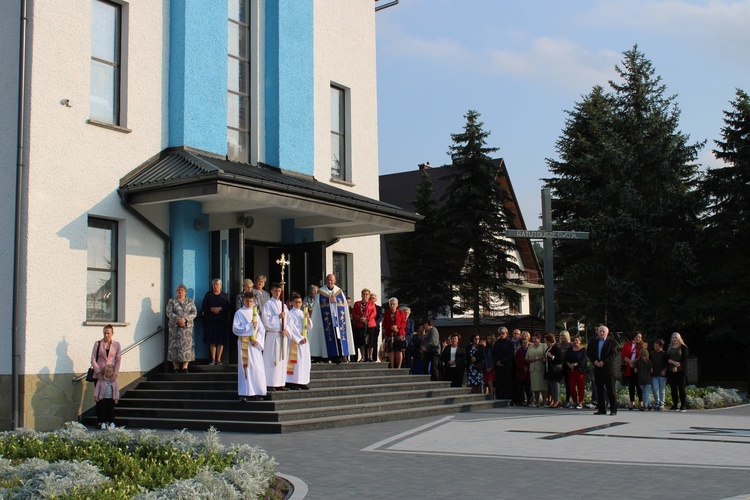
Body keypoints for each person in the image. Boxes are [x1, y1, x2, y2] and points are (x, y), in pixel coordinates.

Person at [308, 274, 355, 363]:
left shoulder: (339, 292)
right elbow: (317, 307)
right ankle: (326, 356)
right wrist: (329, 301)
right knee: (327, 336)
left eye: (331, 280)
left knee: (338, 337)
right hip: (325, 320)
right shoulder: (321, 292)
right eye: (328, 280)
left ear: (335, 281)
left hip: (337, 320)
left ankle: (339, 356)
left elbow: (344, 305)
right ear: (326, 281)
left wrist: (336, 301)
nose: (330, 282)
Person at [232, 292, 266, 401]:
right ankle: (244, 392)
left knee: (256, 368)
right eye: (247, 301)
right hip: (245, 344)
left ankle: (256, 391)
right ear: (243, 301)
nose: (249, 303)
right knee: (245, 368)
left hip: (254, 345)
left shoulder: (255, 313)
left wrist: (258, 340)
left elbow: (262, 330)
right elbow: (236, 329)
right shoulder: (239, 313)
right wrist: (250, 326)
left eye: (251, 301)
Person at [262, 282, 290, 391]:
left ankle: (280, 382)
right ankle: (270, 383)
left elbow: (289, 320)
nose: (278, 293)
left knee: (282, 360)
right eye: (275, 291)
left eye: (279, 291)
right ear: (271, 291)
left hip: (282, 335)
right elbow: (266, 320)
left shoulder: (284, 306)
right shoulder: (268, 304)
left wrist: (286, 329)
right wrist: (278, 317)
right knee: (272, 360)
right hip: (273, 335)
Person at [587, 324, 618, 415]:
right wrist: (595, 361)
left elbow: (613, 354)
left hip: (608, 369)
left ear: (607, 333)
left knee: (611, 390)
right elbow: (589, 352)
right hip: (597, 368)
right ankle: (601, 409)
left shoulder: (611, 342)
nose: (601, 333)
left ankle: (613, 409)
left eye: (603, 331)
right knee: (599, 390)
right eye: (600, 331)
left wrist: (603, 362)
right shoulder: (593, 341)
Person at [166, 284, 197, 373]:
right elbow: (169, 312)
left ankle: (185, 367)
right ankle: (175, 367)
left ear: (185, 292)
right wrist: (178, 319)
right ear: (176, 292)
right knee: (174, 347)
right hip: (175, 328)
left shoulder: (190, 301)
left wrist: (185, 319)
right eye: (179, 290)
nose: (180, 292)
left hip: (187, 328)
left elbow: (194, 313)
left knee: (187, 347)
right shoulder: (172, 301)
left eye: (182, 290)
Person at [201, 278, 231, 365]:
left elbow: (229, 307)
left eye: (217, 284)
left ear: (220, 286)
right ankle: (213, 359)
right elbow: (203, 306)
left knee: (220, 340)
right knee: (212, 340)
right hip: (211, 321)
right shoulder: (208, 295)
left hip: (222, 321)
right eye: (214, 285)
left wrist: (220, 308)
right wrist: (211, 309)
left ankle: (219, 359)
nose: (215, 286)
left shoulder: (224, 296)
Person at [286, 292, 312, 390]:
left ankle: (303, 381)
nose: (298, 304)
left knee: (304, 361)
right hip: (296, 340)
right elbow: (291, 327)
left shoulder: (302, 313)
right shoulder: (290, 313)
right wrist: (299, 338)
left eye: (300, 302)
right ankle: (293, 381)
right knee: (296, 361)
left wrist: (308, 319)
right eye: (296, 302)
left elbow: (309, 327)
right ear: (291, 303)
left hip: (304, 339)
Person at [351, 288, 376, 362]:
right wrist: (359, 318)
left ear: (369, 296)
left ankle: (370, 356)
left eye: (367, 294)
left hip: (370, 324)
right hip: (359, 324)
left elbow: (374, 313)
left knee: (371, 340)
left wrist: (367, 318)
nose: (365, 295)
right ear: (361, 295)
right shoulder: (357, 303)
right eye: (363, 294)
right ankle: (363, 357)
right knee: (361, 341)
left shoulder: (372, 303)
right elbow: (354, 313)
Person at [667, 332, 689, 412]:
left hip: (681, 371)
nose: (674, 339)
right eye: (673, 337)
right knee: (673, 388)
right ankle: (675, 405)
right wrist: (673, 363)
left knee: (681, 388)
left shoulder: (683, 347)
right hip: (671, 370)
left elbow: (684, 359)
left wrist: (677, 366)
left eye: (675, 337)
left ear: (679, 338)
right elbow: (667, 358)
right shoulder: (669, 347)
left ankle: (683, 405)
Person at [382, 297, 407, 369]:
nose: (392, 305)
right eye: (391, 304)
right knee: (391, 350)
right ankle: (392, 367)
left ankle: (399, 367)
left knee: (399, 350)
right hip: (390, 334)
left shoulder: (401, 313)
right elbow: (384, 324)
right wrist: (391, 327)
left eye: (393, 304)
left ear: (397, 305)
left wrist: (397, 327)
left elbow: (404, 323)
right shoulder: (387, 313)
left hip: (399, 334)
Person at [621, 332, 643, 410]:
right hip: (629, 366)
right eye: (637, 337)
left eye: (640, 337)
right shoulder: (627, 344)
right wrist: (629, 361)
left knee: (638, 385)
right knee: (631, 386)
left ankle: (641, 402)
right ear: (634, 337)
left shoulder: (641, 346)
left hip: (637, 368)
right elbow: (623, 354)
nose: (639, 339)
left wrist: (633, 362)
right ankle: (632, 402)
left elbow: (641, 356)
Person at [564, 335, 587, 409]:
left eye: (577, 340)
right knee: (571, 387)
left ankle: (580, 402)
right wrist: (568, 364)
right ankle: (575, 401)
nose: (575, 342)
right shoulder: (570, 350)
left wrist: (575, 364)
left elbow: (583, 360)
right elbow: (565, 358)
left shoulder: (583, 350)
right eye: (574, 340)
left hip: (579, 370)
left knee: (580, 387)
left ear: (580, 341)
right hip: (571, 371)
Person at [93, 364, 119, 429]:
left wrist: (116, 398)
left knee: (111, 411)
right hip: (103, 398)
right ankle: (103, 423)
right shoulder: (101, 380)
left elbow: (116, 390)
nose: (108, 373)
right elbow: (97, 388)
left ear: (112, 373)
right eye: (106, 371)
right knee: (102, 411)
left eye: (109, 372)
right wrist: (96, 396)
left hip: (110, 398)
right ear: (104, 372)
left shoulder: (114, 381)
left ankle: (112, 422)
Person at [493, 327, 515, 400]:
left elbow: (511, 354)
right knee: (499, 382)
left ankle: (509, 398)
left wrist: (502, 361)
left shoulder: (510, 343)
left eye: (503, 333)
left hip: (507, 365)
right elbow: (494, 354)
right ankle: (499, 397)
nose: (501, 335)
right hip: (498, 365)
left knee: (508, 382)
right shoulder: (497, 342)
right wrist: (497, 361)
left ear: (506, 333)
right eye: (500, 334)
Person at [544, 333, 563, 408]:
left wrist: (552, 356)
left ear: (549, 341)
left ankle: (557, 401)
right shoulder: (548, 348)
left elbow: (560, 359)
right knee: (551, 386)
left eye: (546, 341)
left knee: (555, 386)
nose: (545, 342)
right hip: (549, 370)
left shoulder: (556, 348)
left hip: (555, 370)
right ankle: (553, 400)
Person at [649, 338, 667, 411]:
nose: (655, 347)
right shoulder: (652, 353)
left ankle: (661, 403)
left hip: (662, 374)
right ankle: (657, 402)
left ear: (661, 346)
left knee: (662, 390)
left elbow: (667, 363)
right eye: (654, 346)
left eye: (657, 346)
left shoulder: (664, 354)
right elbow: (649, 362)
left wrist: (665, 370)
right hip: (654, 374)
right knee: (655, 389)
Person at [634, 342, 653, 410]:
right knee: (646, 393)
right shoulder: (649, 362)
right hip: (647, 380)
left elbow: (635, 370)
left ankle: (649, 405)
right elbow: (651, 370)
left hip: (640, 380)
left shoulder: (637, 362)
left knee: (645, 393)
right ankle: (646, 405)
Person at [514, 337, 531, 405]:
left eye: (526, 343)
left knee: (528, 388)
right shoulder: (518, 351)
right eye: (523, 343)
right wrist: (522, 368)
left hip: (528, 372)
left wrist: (527, 367)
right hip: (521, 372)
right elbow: (517, 361)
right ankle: (520, 401)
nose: (525, 344)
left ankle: (529, 401)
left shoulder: (530, 350)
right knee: (520, 388)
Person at [558, 330, 573, 407]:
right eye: (561, 336)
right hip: (559, 366)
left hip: (568, 366)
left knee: (568, 384)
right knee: (557, 383)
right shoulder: (558, 345)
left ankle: (568, 400)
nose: (562, 337)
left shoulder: (571, 345)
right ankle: (557, 399)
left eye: (563, 336)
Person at [370, 293, 383, 362]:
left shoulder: (378, 308)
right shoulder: (366, 306)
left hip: (375, 327)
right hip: (367, 327)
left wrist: (374, 323)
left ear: (376, 300)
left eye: (373, 298)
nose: (372, 299)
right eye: (371, 298)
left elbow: (380, 318)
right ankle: (367, 357)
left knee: (374, 342)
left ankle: (374, 358)